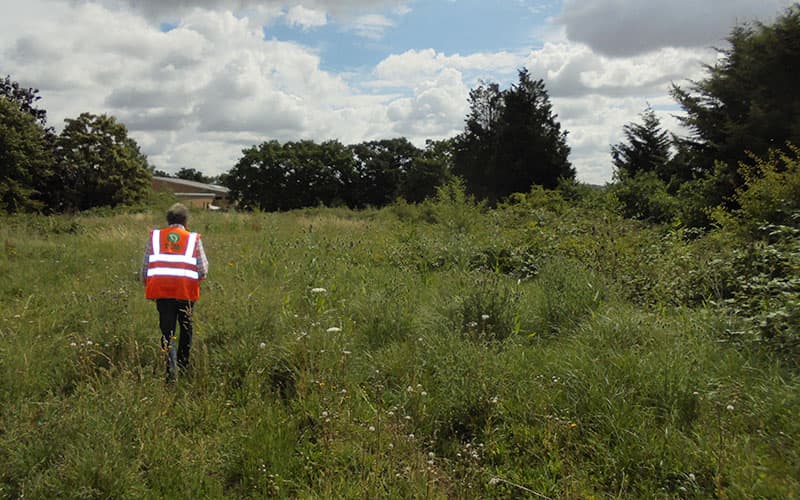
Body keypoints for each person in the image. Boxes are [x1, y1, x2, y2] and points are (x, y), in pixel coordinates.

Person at [141, 203, 208, 382]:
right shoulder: (193, 238)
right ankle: (183, 366)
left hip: (162, 293)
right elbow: (203, 270)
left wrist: (146, 283)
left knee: (167, 332)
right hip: (185, 292)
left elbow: (145, 267)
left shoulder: (155, 237)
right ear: (186, 220)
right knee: (186, 329)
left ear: (167, 220)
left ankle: (170, 372)